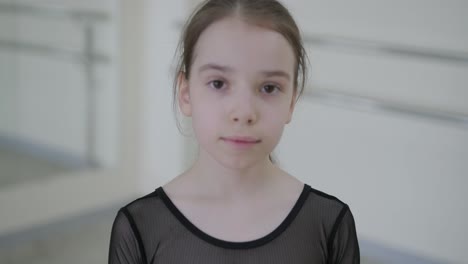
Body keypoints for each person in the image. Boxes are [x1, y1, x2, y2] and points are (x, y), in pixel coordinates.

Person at [108, 0, 360, 263]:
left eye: (269, 88)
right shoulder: (140, 228)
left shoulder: (329, 223)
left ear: (291, 102)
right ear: (186, 94)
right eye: (218, 83)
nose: (243, 112)